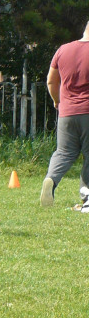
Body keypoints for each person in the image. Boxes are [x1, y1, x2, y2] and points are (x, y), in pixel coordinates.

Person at [40, 19, 89, 210]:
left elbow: (51, 81)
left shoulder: (63, 50)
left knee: (63, 152)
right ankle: (87, 197)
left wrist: (57, 100)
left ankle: (51, 180)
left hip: (66, 113)